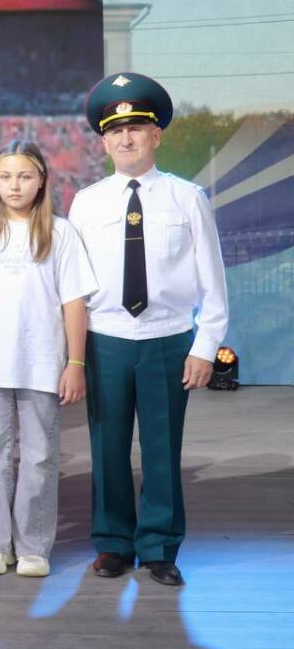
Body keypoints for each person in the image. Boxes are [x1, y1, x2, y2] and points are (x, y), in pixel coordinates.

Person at [69, 72, 228, 587]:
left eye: (136, 128)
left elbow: (214, 281)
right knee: (107, 447)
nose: (126, 139)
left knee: (162, 447)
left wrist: (205, 346)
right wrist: (72, 353)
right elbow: (73, 286)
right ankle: (113, 543)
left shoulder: (187, 198)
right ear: (104, 142)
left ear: (156, 135)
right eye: (115, 131)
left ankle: (159, 547)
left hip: (167, 338)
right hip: (105, 339)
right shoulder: (86, 202)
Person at [0, 140, 98, 578]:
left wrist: (75, 363)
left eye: (25, 176)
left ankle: (33, 545)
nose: (15, 185)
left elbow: (74, 303)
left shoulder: (61, 233)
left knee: (39, 455)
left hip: (42, 363)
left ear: (42, 181)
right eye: (6, 176)